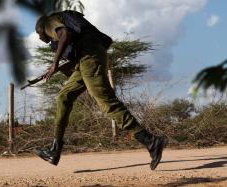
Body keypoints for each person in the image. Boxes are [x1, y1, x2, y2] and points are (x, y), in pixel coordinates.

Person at [33, 10, 168, 170]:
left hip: (89, 56)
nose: (40, 38)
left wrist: (54, 64)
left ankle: (151, 141)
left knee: (106, 101)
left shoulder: (48, 22)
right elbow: (72, 51)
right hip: (86, 59)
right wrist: (60, 67)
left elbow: (64, 34)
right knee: (64, 97)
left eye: (38, 34)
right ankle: (55, 150)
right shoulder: (61, 29)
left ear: (41, 28)